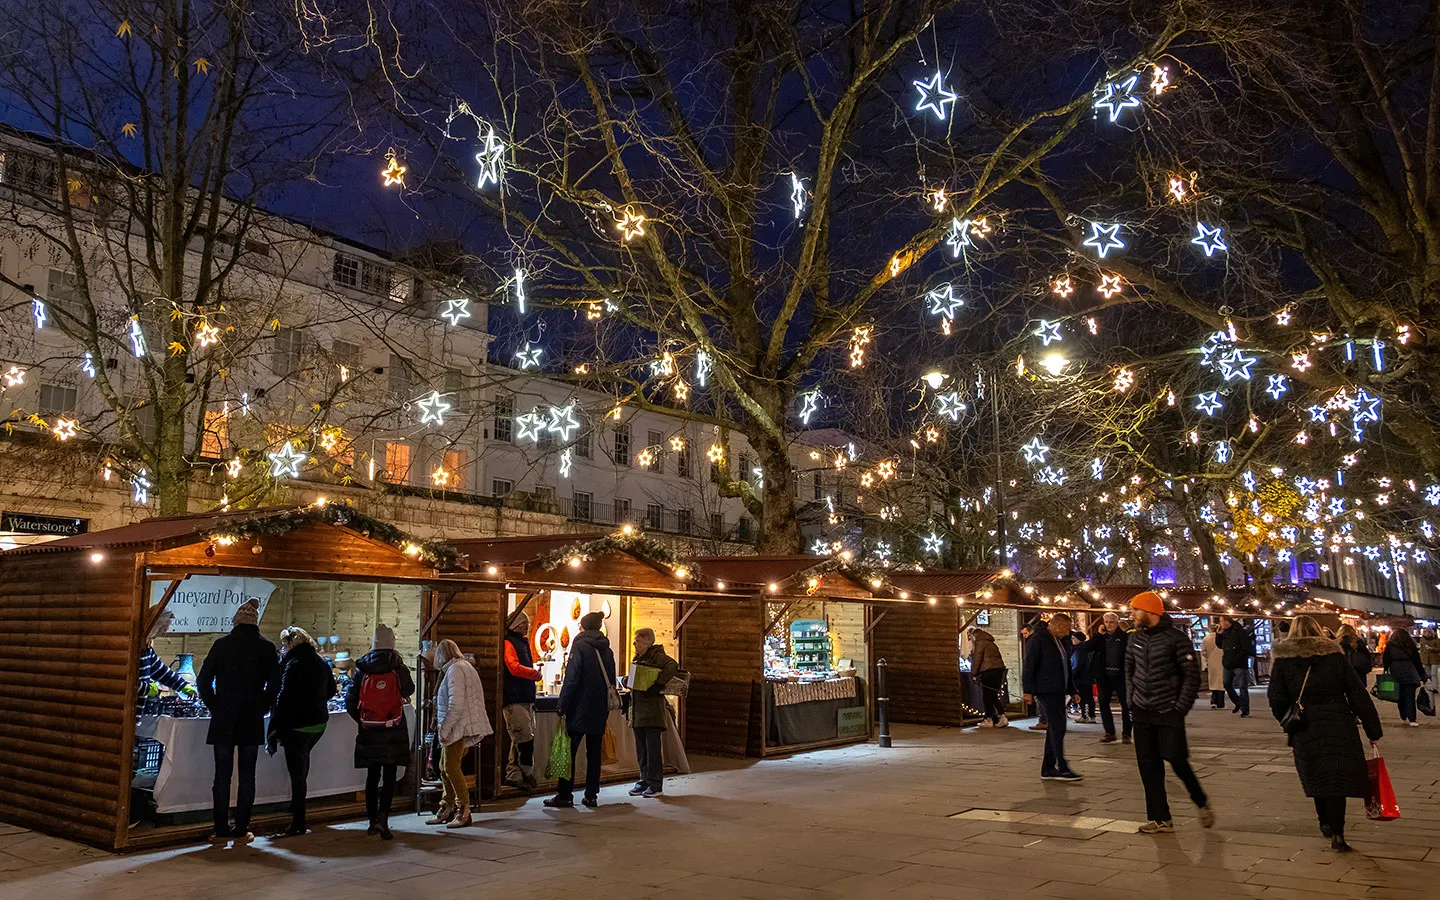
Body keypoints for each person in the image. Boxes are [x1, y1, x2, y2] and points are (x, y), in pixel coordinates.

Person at [1267, 616, 1383, 852]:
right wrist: (1373, 729)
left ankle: (1324, 822)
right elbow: (1357, 693)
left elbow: (1276, 698)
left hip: (1305, 727)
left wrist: (1287, 721)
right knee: (1336, 778)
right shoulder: (1334, 657)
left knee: (1317, 775)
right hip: (1339, 724)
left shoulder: (1283, 661)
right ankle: (1338, 833)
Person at [1125, 591, 1214, 834]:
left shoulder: (1176, 639)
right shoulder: (1135, 639)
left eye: (1135, 609)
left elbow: (1191, 676)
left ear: (1150, 611)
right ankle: (1160, 818)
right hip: (1142, 711)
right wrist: (1132, 701)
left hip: (1168, 711)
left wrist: (1179, 708)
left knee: (1176, 759)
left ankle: (1201, 801)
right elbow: (1129, 671)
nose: (1132, 614)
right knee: (1148, 766)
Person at [196, 598, 280, 844]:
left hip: (223, 717)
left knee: (221, 776)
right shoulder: (267, 648)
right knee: (247, 776)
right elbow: (275, 684)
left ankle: (220, 829)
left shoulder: (221, 645)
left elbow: (203, 681)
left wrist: (215, 705)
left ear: (235, 622)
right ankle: (242, 828)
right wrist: (262, 705)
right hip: (251, 717)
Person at [265, 626, 336, 837]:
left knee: (297, 774)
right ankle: (296, 808)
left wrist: (273, 729)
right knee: (302, 769)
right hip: (318, 724)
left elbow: (283, 699)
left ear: (288, 645)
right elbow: (331, 691)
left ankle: (298, 821)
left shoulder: (292, 665)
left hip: (297, 725)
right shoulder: (321, 662)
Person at [345, 624, 413, 840]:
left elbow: (350, 700)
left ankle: (371, 820)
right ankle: (384, 818)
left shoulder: (362, 667)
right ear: (392, 643)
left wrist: (364, 720)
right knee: (390, 776)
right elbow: (409, 689)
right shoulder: (398, 665)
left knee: (372, 776)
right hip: (393, 729)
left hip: (369, 731)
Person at [545, 612, 618, 808]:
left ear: (583, 627)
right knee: (594, 753)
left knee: (569, 752)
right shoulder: (607, 649)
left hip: (579, 707)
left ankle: (565, 794)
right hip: (599, 708)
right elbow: (611, 679)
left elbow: (572, 679)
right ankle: (591, 794)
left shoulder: (580, 646)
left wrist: (562, 705)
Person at [427, 639, 493, 828]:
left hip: (457, 727)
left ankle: (463, 809)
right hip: (462, 725)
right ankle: (446, 805)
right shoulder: (465, 667)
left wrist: (444, 729)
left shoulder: (455, 670)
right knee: (444, 766)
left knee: (450, 767)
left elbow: (455, 704)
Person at [1022, 613, 1081, 781]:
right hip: (1046, 689)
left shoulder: (1059, 641)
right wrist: (1028, 691)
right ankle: (1061, 766)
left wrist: (1073, 690)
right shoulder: (1038, 640)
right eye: (1066, 629)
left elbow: (1065, 666)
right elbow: (1029, 665)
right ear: (1058, 625)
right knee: (1058, 726)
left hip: (1058, 689)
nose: (1068, 632)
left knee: (1056, 728)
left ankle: (1048, 768)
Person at [628, 628, 678, 798]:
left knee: (653, 750)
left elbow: (673, 665)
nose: (635, 644)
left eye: (638, 641)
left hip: (652, 712)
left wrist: (658, 684)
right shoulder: (639, 658)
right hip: (639, 711)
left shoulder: (656, 657)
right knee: (642, 750)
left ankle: (656, 784)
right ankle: (644, 780)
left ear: (648, 642)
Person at [501, 611, 544, 794]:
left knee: (518, 739)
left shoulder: (521, 642)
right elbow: (513, 667)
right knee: (523, 737)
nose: (526, 628)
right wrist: (534, 674)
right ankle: (525, 772)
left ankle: (514, 775)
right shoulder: (509, 643)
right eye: (523, 625)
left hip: (524, 696)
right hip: (514, 697)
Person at [1087, 613, 1131, 743]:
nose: (1109, 625)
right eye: (1106, 622)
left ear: (1117, 622)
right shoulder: (1100, 637)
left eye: (1111, 622)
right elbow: (1088, 647)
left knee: (1125, 705)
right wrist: (1099, 635)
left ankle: (1126, 733)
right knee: (1103, 704)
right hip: (1104, 676)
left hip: (1120, 676)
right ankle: (1109, 732)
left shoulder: (1124, 637)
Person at [139, 611, 198, 701]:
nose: (165, 631)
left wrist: (183, 685)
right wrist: (146, 689)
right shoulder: (135, 647)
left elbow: (161, 671)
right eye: (163, 626)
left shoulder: (147, 648)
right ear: (154, 625)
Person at [1382, 628, 1428, 727]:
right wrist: (1422, 675)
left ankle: (1403, 715)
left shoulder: (1390, 646)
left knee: (1399, 696)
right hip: (1410, 672)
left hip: (1396, 672)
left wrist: (1386, 671)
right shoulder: (1411, 646)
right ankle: (1412, 719)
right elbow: (1417, 662)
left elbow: (1386, 660)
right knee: (1410, 696)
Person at [970, 627, 1009, 728]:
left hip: (988, 671)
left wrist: (974, 674)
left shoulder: (980, 642)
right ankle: (1002, 716)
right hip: (998, 670)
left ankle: (989, 719)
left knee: (987, 696)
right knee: (993, 695)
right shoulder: (990, 642)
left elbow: (977, 658)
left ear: (974, 635)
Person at [1218, 616, 1255, 717]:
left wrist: (1237, 657)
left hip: (1239, 664)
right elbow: (1219, 645)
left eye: (1221, 621)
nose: (1220, 623)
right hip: (1228, 663)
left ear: (1227, 622)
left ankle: (1245, 709)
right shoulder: (1224, 633)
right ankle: (1238, 702)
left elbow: (1246, 647)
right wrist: (1218, 635)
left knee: (1242, 686)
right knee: (1226, 684)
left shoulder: (1239, 632)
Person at [1021, 621, 1047, 731]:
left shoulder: (1033, 642)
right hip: (1042, 677)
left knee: (1040, 701)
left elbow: (1030, 663)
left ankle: (1044, 720)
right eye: (1022, 634)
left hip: (1039, 678)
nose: (1024, 636)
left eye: (1025, 633)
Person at [1070, 627, 1096, 724]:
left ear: (1079, 640)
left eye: (1074, 638)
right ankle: (1091, 716)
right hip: (1087, 677)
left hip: (1081, 678)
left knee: (1083, 698)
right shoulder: (1086, 649)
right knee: (1089, 697)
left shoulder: (1079, 650)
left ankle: (1085, 716)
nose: (1072, 640)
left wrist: (1072, 675)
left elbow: (1077, 665)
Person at [1201, 622, 1225, 709]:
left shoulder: (1205, 639)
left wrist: (1207, 660)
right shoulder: (1221, 638)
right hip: (1221, 661)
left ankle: (1213, 701)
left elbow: (1203, 652)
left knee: (1213, 682)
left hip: (1211, 662)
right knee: (1221, 682)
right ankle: (1221, 703)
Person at [1418, 628, 1440, 695]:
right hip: (1425, 659)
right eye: (1425, 632)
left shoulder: (1436, 640)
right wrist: (1421, 658)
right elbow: (1421, 650)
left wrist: (1432, 649)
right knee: (1428, 674)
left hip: (1434, 659)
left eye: (1428, 632)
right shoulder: (1422, 640)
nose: (1427, 633)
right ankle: (1430, 686)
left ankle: (1435, 688)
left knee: (1433, 674)